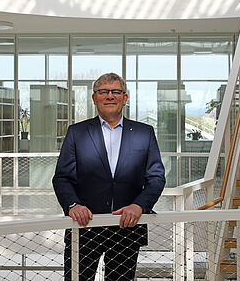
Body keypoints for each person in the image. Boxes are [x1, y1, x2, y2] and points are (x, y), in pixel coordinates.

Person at [53, 72, 166, 280]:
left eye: (116, 91)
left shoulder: (144, 132)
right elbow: (62, 178)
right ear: (94, 98)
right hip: (84, 227)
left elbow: (156, 177)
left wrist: (139, 206)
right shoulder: (76, 132)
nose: (110, 96)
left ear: (125, 97)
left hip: (127, 228)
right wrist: (73, 205)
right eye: (103, 92)